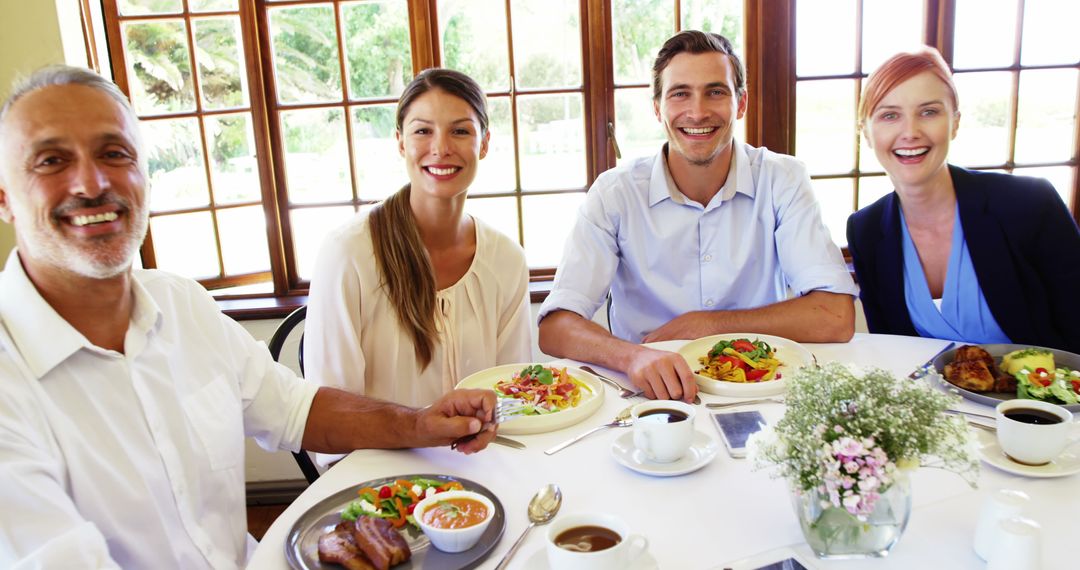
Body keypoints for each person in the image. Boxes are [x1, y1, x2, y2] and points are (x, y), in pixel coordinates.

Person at [0, 66, 499, 569]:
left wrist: (424, 423)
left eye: (115, 154)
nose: (92, 183)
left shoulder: (181, 304)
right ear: (4, 196)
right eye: (51, 161)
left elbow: (296, 411)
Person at [538, 31, 857, 401]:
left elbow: (835, 316)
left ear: (741, 103)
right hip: (646, 396)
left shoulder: (782, 179)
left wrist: (707, 326)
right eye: (680, 93)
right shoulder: (615, 193)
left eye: (716, 91)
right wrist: (633, 356)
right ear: (658, 107)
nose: (698, 111)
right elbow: (555, 327)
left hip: (761, 389)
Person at [305, 68, 531, 408]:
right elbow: (331, 411)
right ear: (400, 142)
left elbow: (513, 399)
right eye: (423, 131)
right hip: (377, 459)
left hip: (486, 457)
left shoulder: (507, 260)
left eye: (460, 131)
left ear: (483, 143)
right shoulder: (347, 254)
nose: (440, 148)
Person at [847, 48, 1080, 352]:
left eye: (929, 112)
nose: (910, 132)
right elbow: (893, 351)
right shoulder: (866, 229)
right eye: (889, 115)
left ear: (955, 122)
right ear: (865, 131)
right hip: (933, 400)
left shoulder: (1029, 204)